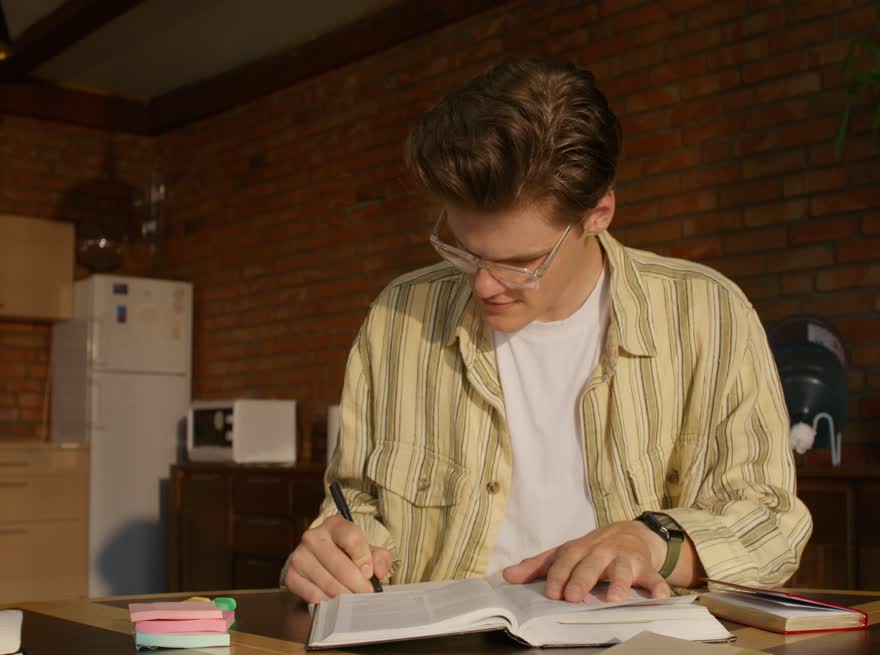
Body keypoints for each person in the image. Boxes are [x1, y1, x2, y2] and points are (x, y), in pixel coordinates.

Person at [282, 57, 811, 605]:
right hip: (436, 646)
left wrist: (655, 542)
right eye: (463, 250)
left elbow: (770, 522)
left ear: (598, 213)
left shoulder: (706, 314)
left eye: (519, 262)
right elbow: (354, 505)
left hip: (639, 650)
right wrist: (332, 556)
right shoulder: (398, 318)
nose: (483, 284)